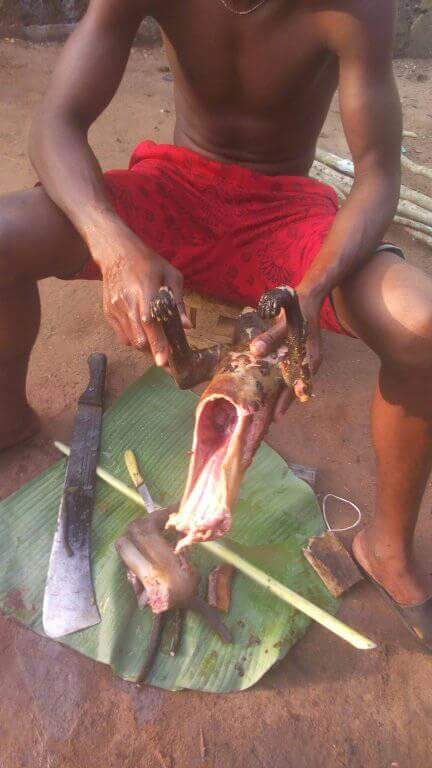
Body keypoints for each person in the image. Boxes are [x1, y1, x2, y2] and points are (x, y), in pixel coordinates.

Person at [1, 0, 432, 643]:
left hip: (289, 218)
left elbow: (378, 170)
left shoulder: (356, 5)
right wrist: (113, 243)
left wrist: (309, 295)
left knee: (422, 326)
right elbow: (56, 122)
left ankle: (387, 546)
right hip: (177, 190)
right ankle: (8, 416)